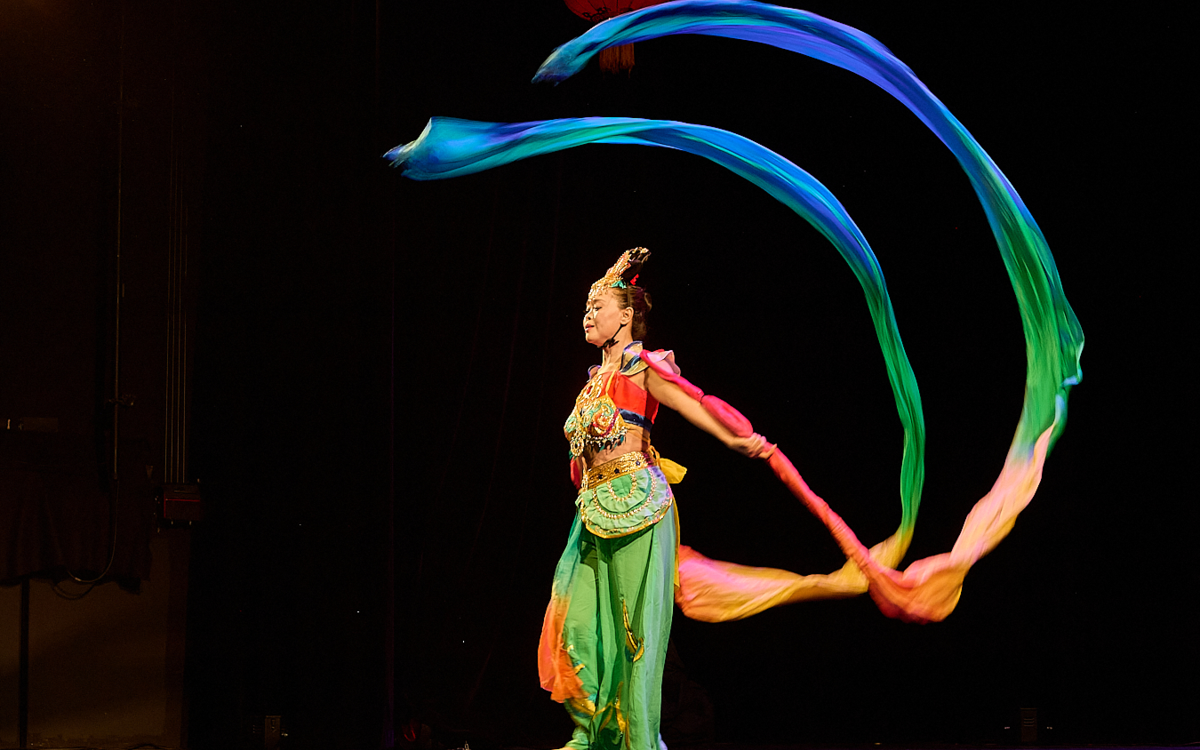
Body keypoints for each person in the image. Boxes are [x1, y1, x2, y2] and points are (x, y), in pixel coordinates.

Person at [539, 247, 769, 750]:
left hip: (636, 503)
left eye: (598, 306)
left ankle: (639, 740)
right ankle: (592, 733)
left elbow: (692, 401)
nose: (587, 313)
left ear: (626, 318)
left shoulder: (643, 364)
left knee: (633, 635)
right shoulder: (591, 381)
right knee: (578, 624)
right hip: (592, 511)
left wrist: (735, 437)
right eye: (586, 306)